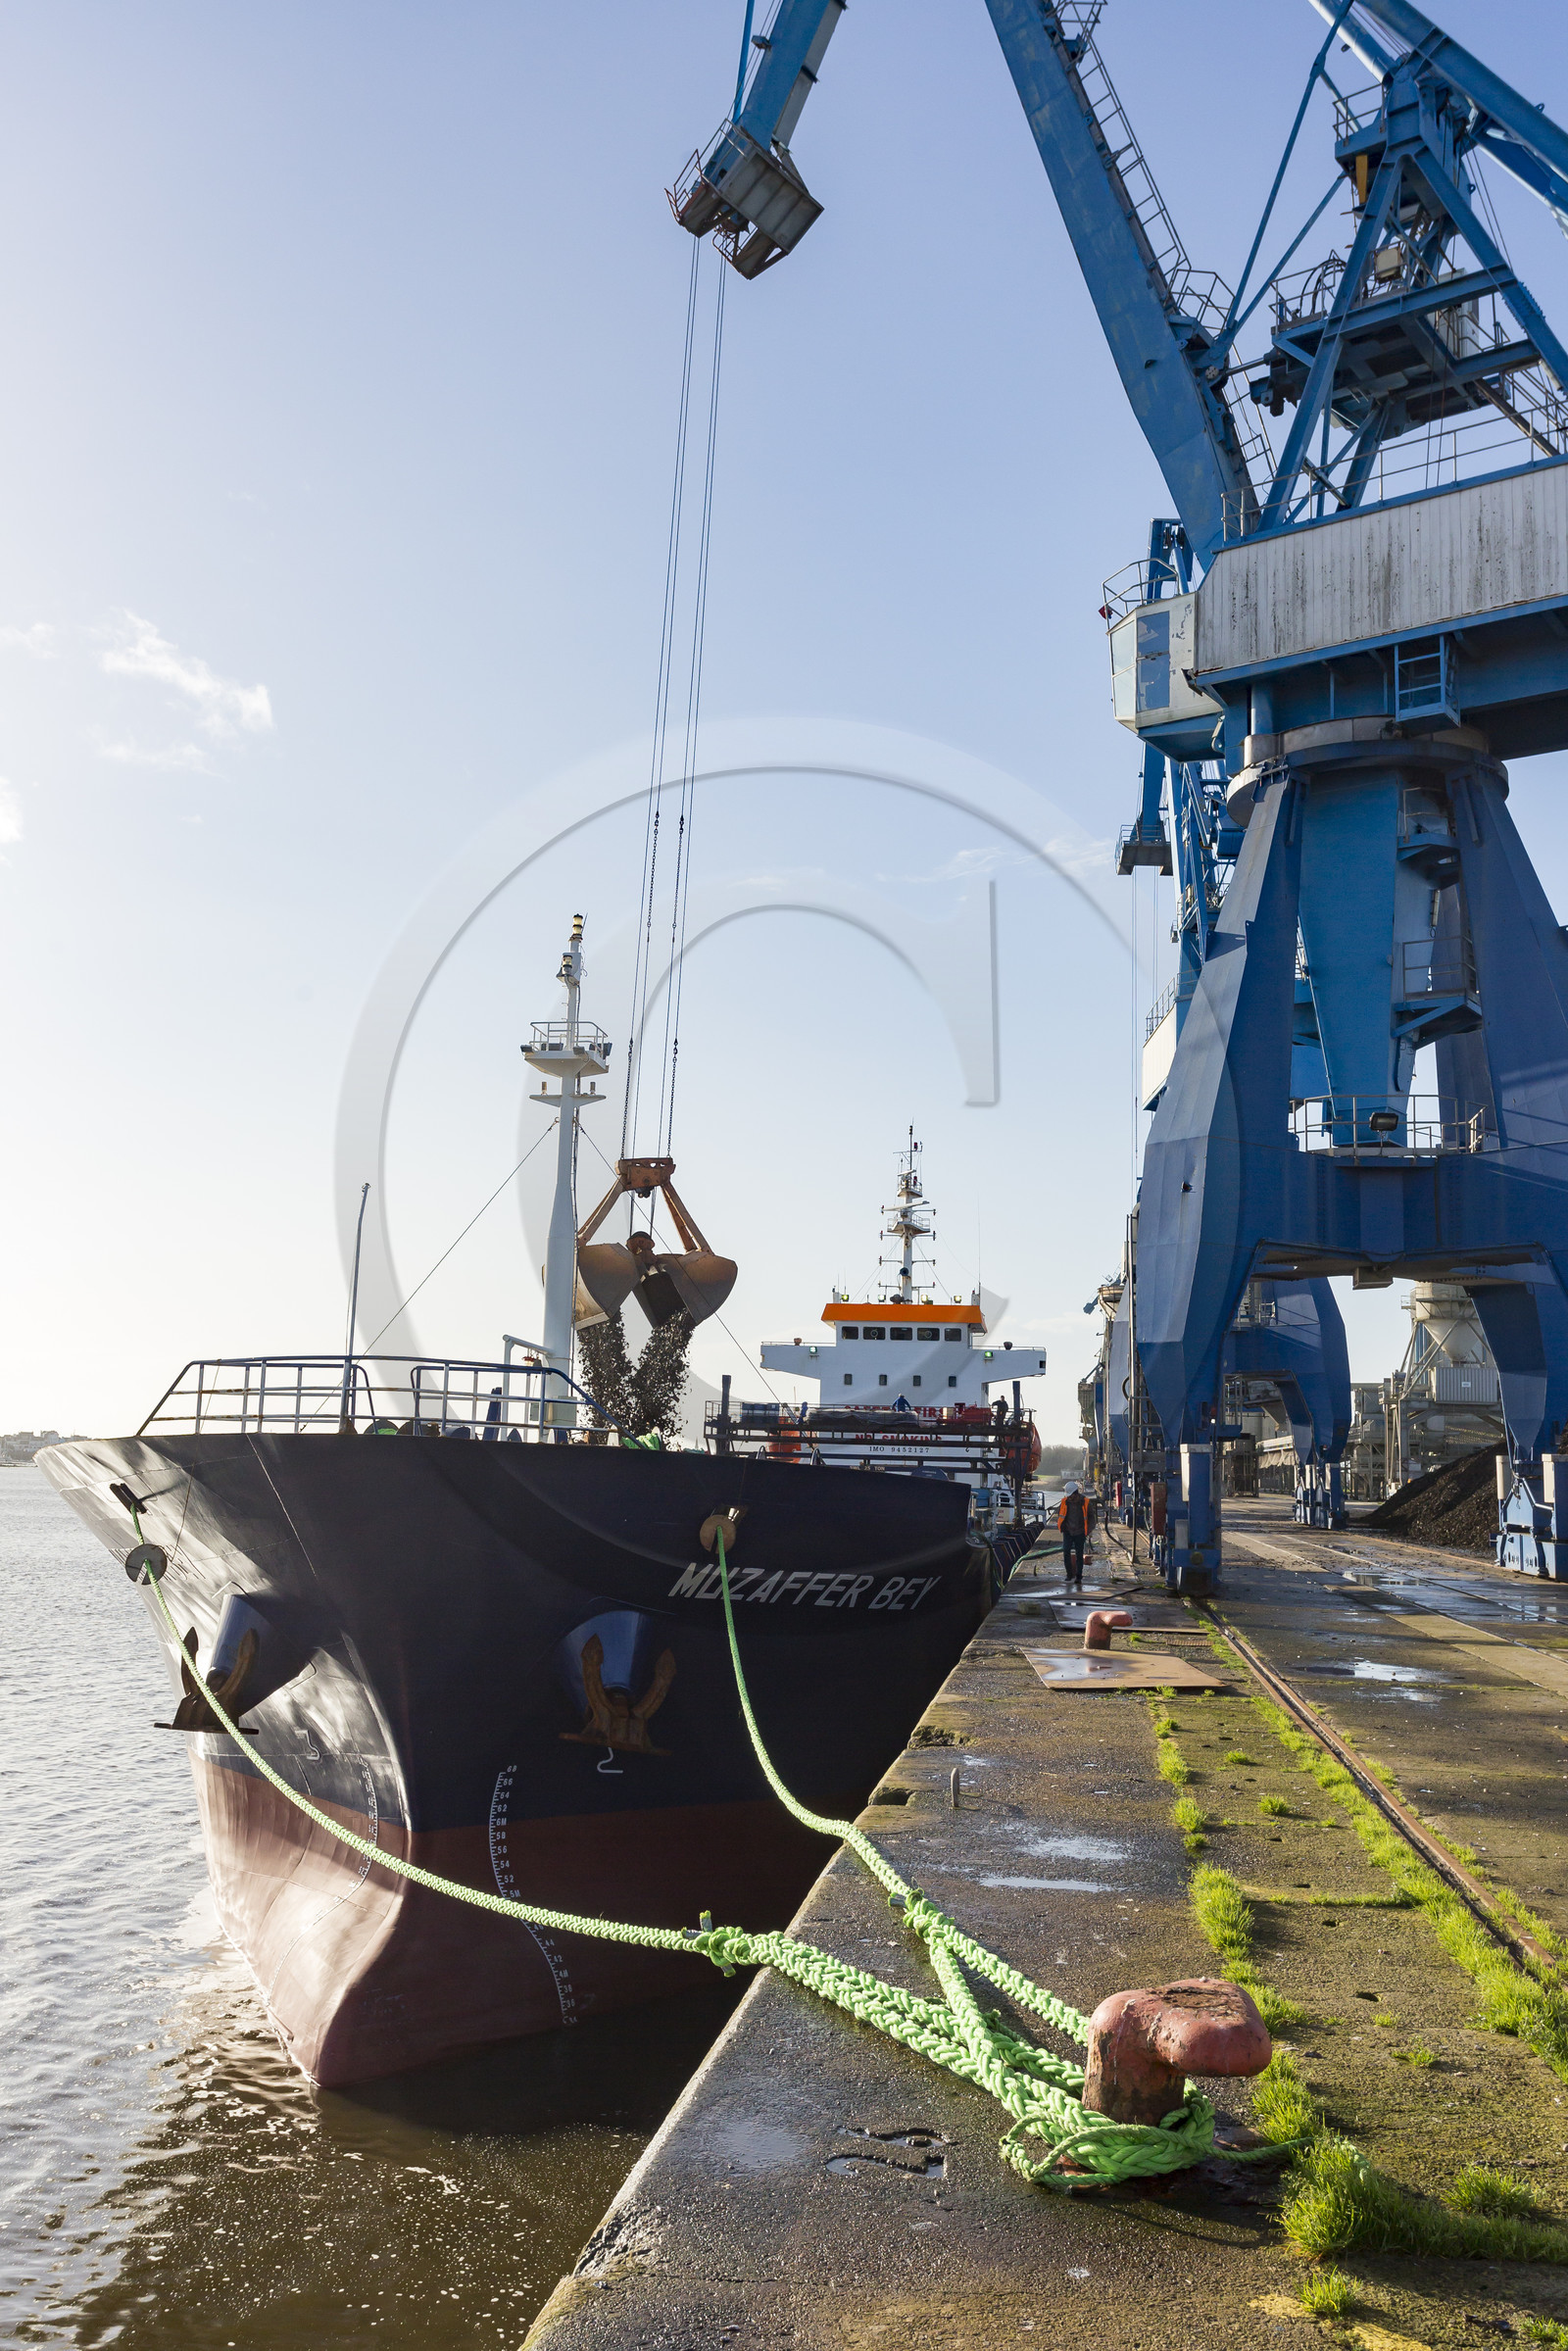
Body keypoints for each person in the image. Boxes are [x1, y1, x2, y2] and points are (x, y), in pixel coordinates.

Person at [1057, 1482, 1096, 1586]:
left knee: (1079, 1554)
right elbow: (1060, 1514)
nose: (1070, 1498)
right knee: (1066, 1551)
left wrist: (1089, 1529)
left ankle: (1078, 1576)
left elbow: (1092, 1518)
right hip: (1068, 1531)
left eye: (1071, 1496)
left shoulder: (1086, 1502)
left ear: (1076, 1493)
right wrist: (1063, 1527)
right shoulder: (1064, 1502)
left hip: (1080, 1532)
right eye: (1068, 1496)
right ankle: (1069, 1574)